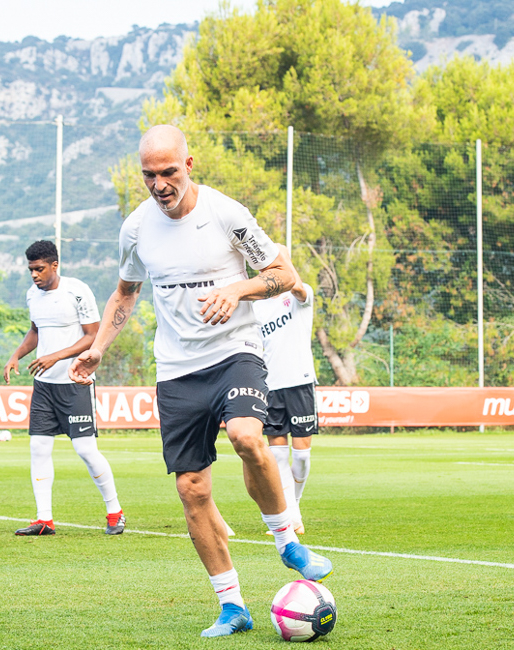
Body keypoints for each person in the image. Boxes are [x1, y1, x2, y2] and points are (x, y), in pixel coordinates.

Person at [69, 125, 332, 637]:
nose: (159, 184)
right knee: (191, 489)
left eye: (168, 172)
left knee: (247, 436)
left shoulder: (226, 214)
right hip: (176, 370)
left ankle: (287, 541)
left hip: (235, 352)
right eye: (149, 175)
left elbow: (283, 273)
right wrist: (98, 347)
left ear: (188, 165)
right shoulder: (136, 229)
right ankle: (232, 606)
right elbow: (125, 293)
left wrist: (237, 290)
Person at [4, 240, 124, 537]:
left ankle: (115, 512)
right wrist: (16, 355)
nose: (34, 275)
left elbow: (93, 336)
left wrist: (56, 356)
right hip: (44, 386)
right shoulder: (32, 295)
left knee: (85, 449)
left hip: (75, 382)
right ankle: (44, 520)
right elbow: (35, 331)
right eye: (31, 270)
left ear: (54, 265)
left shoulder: (77, 291)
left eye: (39, 269)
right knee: (38, 448)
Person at [252, 245, 317, 536]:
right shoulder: (256, 307)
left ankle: (294, 506)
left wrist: (283, 259)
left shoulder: (299, 295)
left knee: (301, 456)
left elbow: (298, 287)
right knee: (277, 457)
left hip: (300, 382)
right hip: (270, 387)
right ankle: (292, 516)